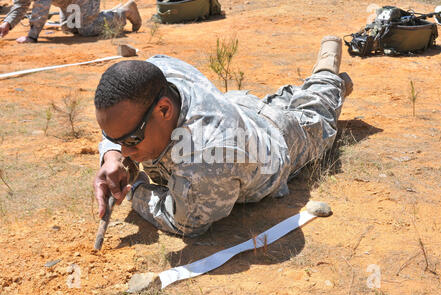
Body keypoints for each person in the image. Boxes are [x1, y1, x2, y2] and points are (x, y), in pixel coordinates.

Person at [93, 36, 353, 237]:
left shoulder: (208, 158)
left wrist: (135, 190)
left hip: (279, 141)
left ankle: (328, 74)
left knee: (318, 110)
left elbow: (184, 221)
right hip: (238, 111)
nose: (125, 151)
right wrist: (111, 154)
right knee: (285, 103)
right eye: (117, 139)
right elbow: (121, 128)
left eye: (130, 140)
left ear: (163, 109)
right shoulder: (154, 73)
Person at [0, 0, 141, 43]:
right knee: (70, 29)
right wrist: (7, 24)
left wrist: (32, 36)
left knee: (87, 29)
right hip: (68, 3)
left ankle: (123, 12)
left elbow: (41, 6)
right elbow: (21, 4)